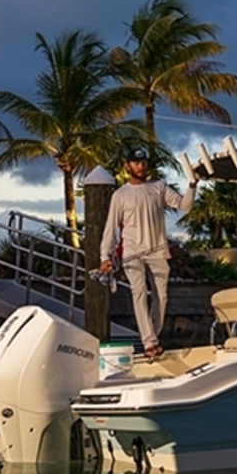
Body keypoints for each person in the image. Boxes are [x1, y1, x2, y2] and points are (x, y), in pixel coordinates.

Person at [99, 146, 195, 358]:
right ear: (127, 166)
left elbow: (184, 206)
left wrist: (193, 185)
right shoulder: (120, 195)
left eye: (143, 163)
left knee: (161, 297)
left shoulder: (159, 187)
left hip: (158, 252)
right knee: (139, 293)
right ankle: (149, 342)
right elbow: (111, 227)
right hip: (133, 253)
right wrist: (105, 257)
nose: (140, 166)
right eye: (136, 162)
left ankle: (152, 337)